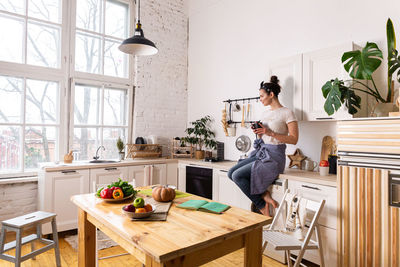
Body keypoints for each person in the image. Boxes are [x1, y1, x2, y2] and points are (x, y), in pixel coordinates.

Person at [227, 75, 299, 217]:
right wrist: (259, 133)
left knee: (237, 176)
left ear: (271, 95)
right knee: (231, 173)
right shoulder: (265, 113)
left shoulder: (287, 113)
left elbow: (294, 139)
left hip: (274, 158)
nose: (260, 99)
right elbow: (265, 135)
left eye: (261, 96)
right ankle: (264, 194)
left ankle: (261, 206)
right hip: (262, 153)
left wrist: (270, 132)